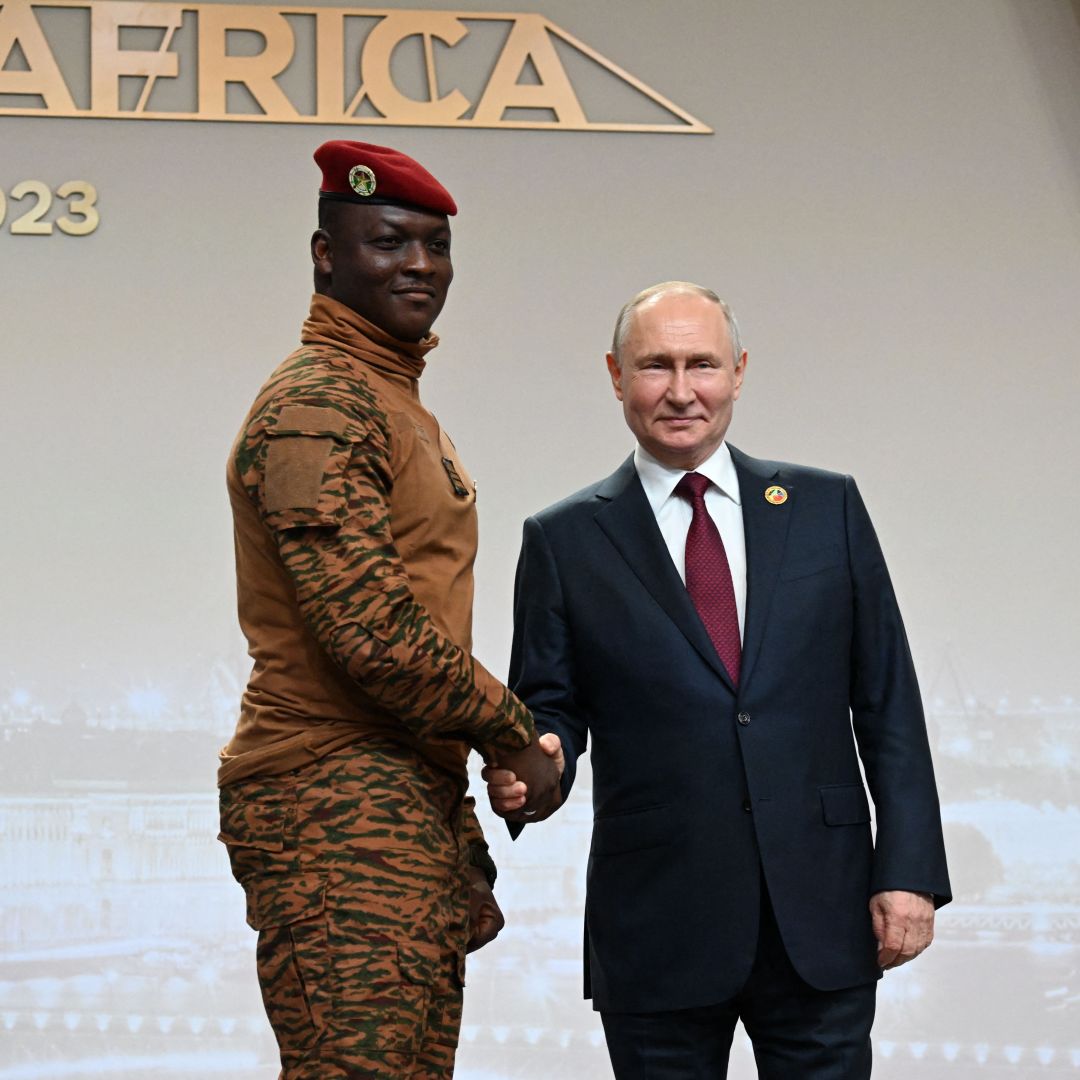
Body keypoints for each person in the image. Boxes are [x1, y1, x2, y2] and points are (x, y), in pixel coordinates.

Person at [484, 282, 951, 1078]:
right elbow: (549, 705)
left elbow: (887, 703)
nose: (680, 390)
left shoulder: (825, 508)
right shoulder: (563, 540)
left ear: (738, 371)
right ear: (614, 374)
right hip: (658, 919)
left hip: (822, 912)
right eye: (654, 365)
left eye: (701, 364)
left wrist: (908, 872)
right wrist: (538, 763)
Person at [217, 139, 560, 1080]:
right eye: (388, 242)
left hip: (393, 790)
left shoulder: (385, 396)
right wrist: (512, 731)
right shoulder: (321, 405)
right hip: (333, 796)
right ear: (327, 255)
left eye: (435, 247)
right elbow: (371, 632)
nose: (419, 265)